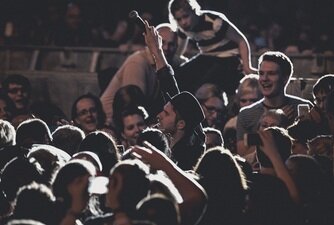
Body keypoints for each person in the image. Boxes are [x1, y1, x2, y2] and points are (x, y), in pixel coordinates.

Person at [142, 21, 206, 170]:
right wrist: (157, 51)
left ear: (181, 124)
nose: (159, 115)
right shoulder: (166, 145)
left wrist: (157, 51)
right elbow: (169, 87)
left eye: (166, 113)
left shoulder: (188, 158)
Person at [100, 23, 186, 125]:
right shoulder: (138, 62)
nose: (166, 48)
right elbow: (133, 107)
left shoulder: (171, 61)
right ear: (152, 43)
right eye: (161, 43)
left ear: (177, 46)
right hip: (111, 121)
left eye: (171, 44)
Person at [168, 0, 256, 95]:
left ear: (193, 11)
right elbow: (179, 51)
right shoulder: (183, 28)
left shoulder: (215, 22)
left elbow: (241, 40)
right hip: (207, 56)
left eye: (185, 16)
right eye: (179, 19)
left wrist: (247, 67)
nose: (183, 22)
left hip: (228, 57)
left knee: (206, 84)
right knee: (179, 76)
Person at [236, 51, 313, 157]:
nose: (264, 79)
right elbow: (243, 157)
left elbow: (311, 152)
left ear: (285, 78)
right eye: (261, 73)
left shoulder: (303, 108)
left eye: (271, 73)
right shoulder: (246, 114)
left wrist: (284, 127)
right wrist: (271, 128)